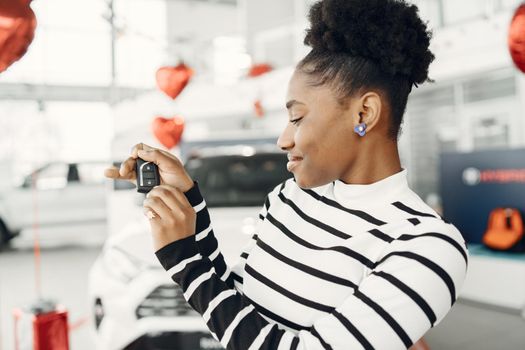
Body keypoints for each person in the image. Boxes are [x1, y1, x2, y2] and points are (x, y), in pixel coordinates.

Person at [104, 0, 468, 348]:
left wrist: (182, 257)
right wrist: (189, 201)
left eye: (297, 117)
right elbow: (233, 305)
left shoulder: (427, 246)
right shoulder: (290, 197)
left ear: (364, 114)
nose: (283, 139)